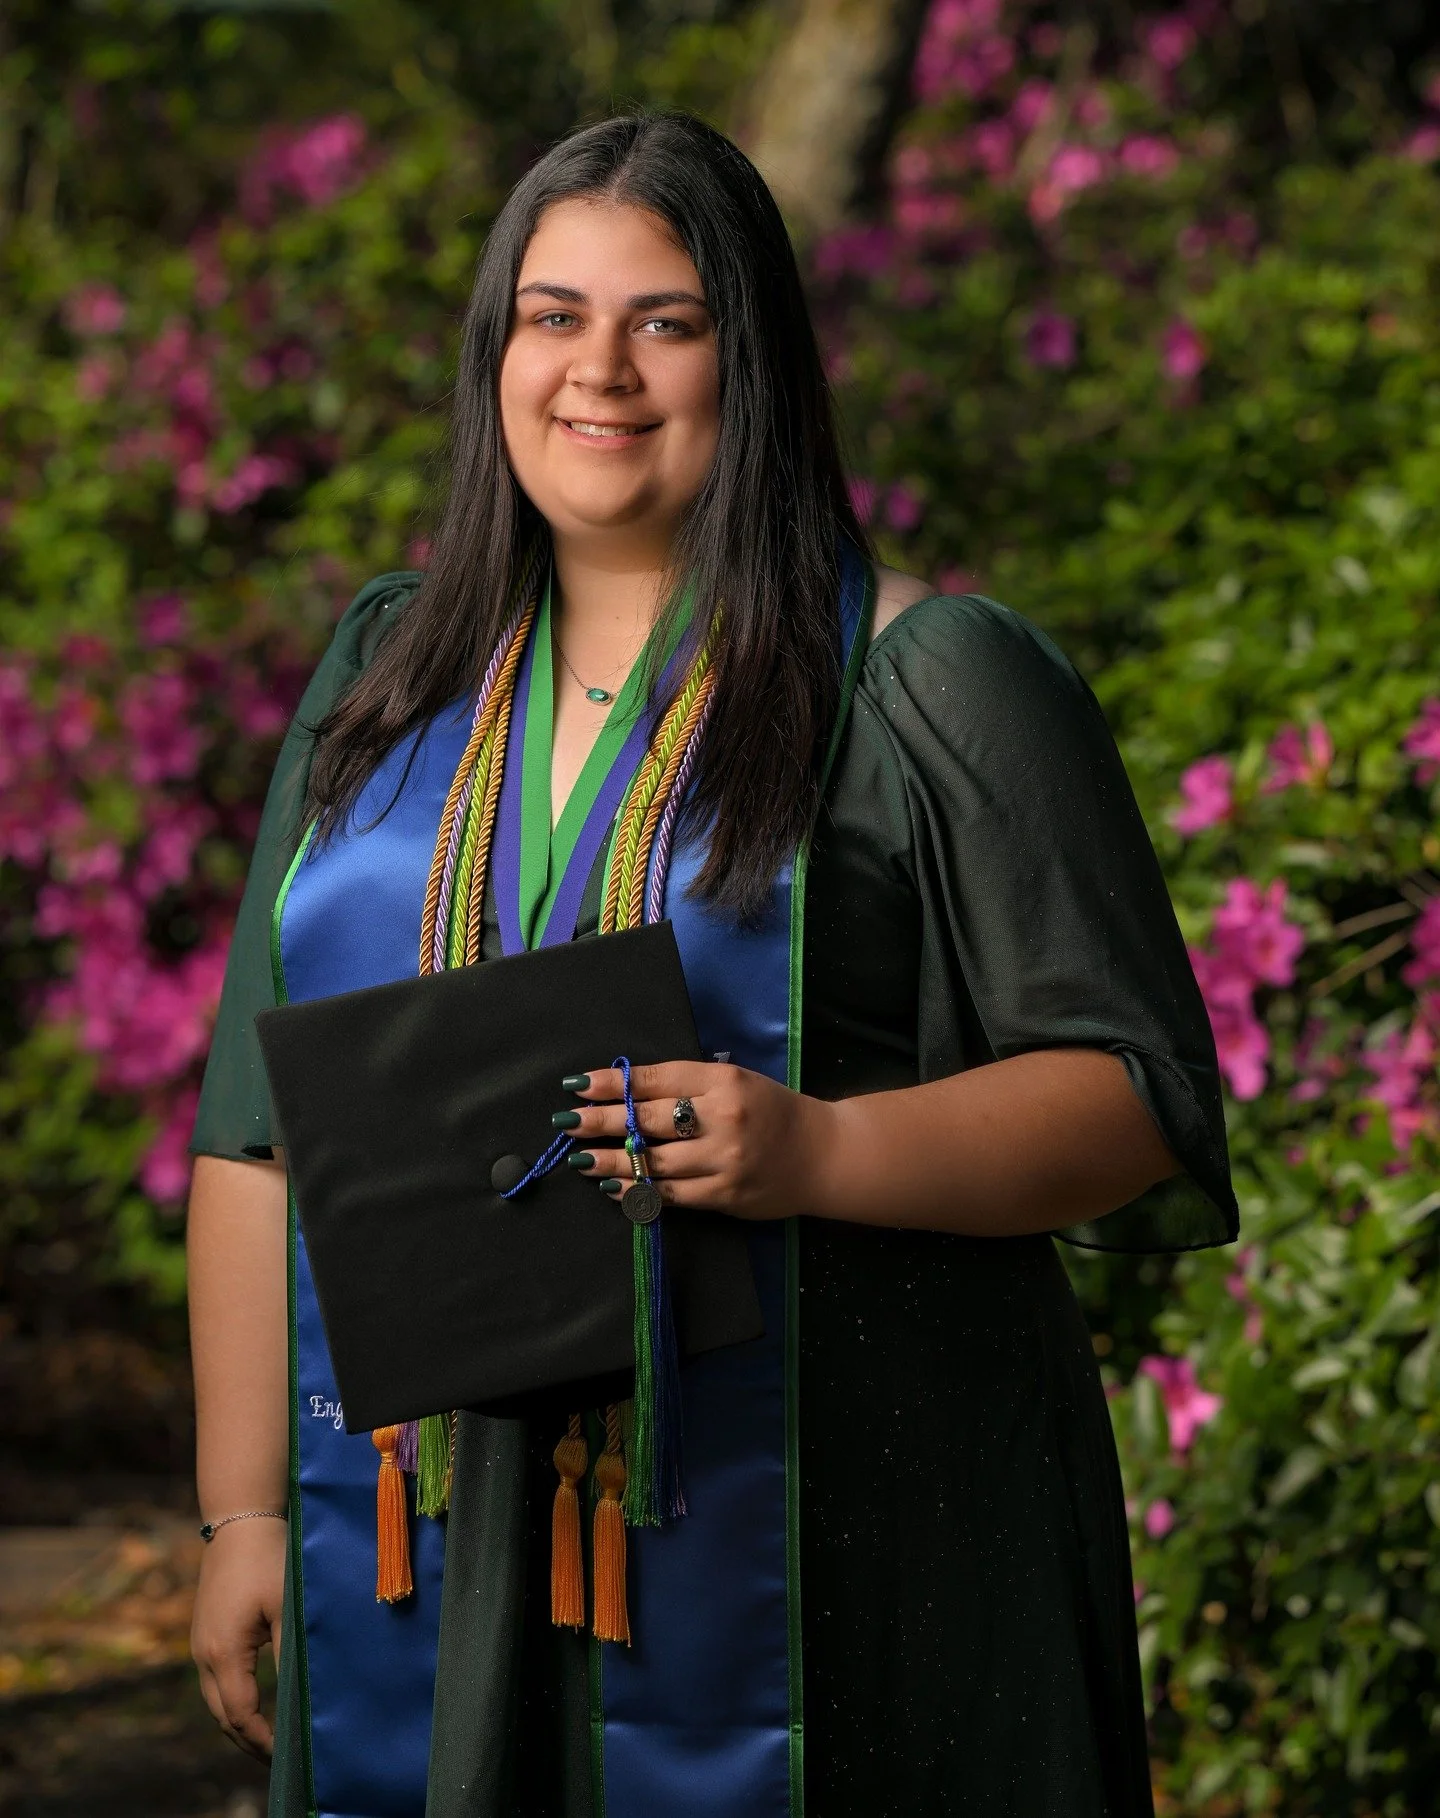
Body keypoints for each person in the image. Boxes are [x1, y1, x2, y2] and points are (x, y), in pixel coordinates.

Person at [187, 111, 1235, 1818]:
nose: (598, 369)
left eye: (665, 321)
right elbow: (255, 1129)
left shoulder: (926, 680)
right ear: (497, 352)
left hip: (839, 1538)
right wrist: (241, 1508)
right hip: (440, 1528)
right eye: (553, 315)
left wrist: (821, 1145)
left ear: (753, 360)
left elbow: (1138, 1094)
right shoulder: (388, 677)